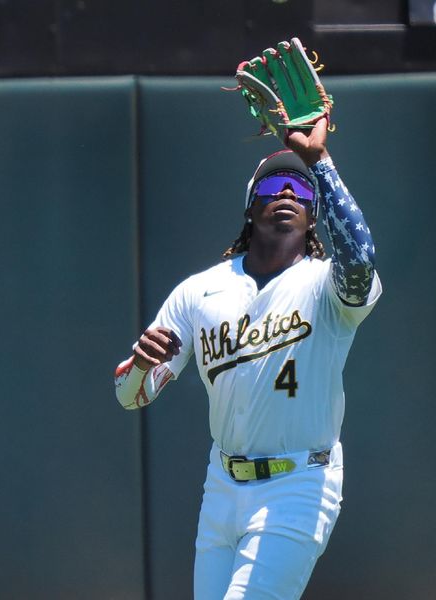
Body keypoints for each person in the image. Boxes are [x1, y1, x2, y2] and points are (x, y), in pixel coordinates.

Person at [114, 117, 381, 599]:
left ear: (314, 214)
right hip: (223, 486)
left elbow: (360, 260)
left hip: (299, 483)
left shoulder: (326, 286)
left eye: (301, 191)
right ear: (250, 204)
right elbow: (132, 397)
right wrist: (138, 367)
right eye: (274, 184)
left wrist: (319, 163)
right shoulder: (200, 291)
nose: (287, 194)